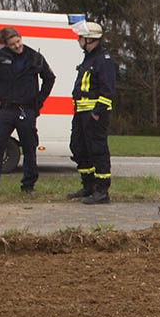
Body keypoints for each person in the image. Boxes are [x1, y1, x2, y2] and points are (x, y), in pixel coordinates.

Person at [0, 26, 55, 195]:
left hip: (26, 109)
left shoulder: (34, 57)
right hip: (6, 110)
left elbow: (49, 78)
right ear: (6, 45)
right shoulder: (0, 56)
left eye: (18, 41)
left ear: (21, 38)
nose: (17, 46)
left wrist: (39, 101)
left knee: (29, 148)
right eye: (12, 44)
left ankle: (28, 186)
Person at [68, 21, 117, 204]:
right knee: (78, 148)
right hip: (81, 113)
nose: (78, 40)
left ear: (89, 39)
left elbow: (108, 90)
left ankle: (102, 190)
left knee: (98, 151)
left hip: (94, 115)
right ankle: (89, 186)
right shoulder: (88, 59)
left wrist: (97, 112)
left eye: (80, 37)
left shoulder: (104, 60)